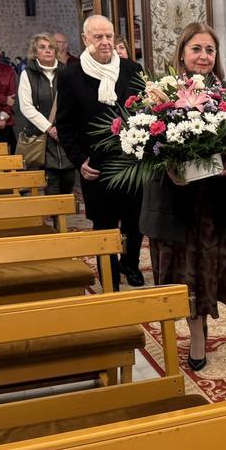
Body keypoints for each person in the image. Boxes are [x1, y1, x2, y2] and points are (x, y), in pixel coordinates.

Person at [141, 22, 226, 372]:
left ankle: (201, 327)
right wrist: (168, 166)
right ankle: (196, 332)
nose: (204, 56)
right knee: (184, 270)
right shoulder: (162, 92)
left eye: (210, 50)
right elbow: (147, 145)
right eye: (197, 49)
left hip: (214, 201)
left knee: (209, 269)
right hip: (177, 201)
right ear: (182, 53)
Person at [55, 15, 145, 290]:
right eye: (98, 37)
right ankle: (110, 272)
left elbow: (144, 111)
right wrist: (79, 160)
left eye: (109, 36)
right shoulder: (70, 75)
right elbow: (65, 125)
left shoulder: (131, 69)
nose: (105, 42)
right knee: (104, 223)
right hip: (95, 164)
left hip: (131, 161)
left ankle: (130, 264)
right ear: (85, 40)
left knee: (134, 220)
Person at [16, 32, 75, 194]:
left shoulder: (66, 72)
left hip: (65, 135)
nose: (47, 50)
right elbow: (26, 107)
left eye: (51, 47)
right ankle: (55, 210)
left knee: (69, 178)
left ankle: (64, 208)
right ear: (35, 52)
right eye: (42, 47)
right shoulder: (27, 74)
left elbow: (74, 102)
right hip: (42, 136)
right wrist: (49, 128)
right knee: (51, 181)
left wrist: (62, 127)